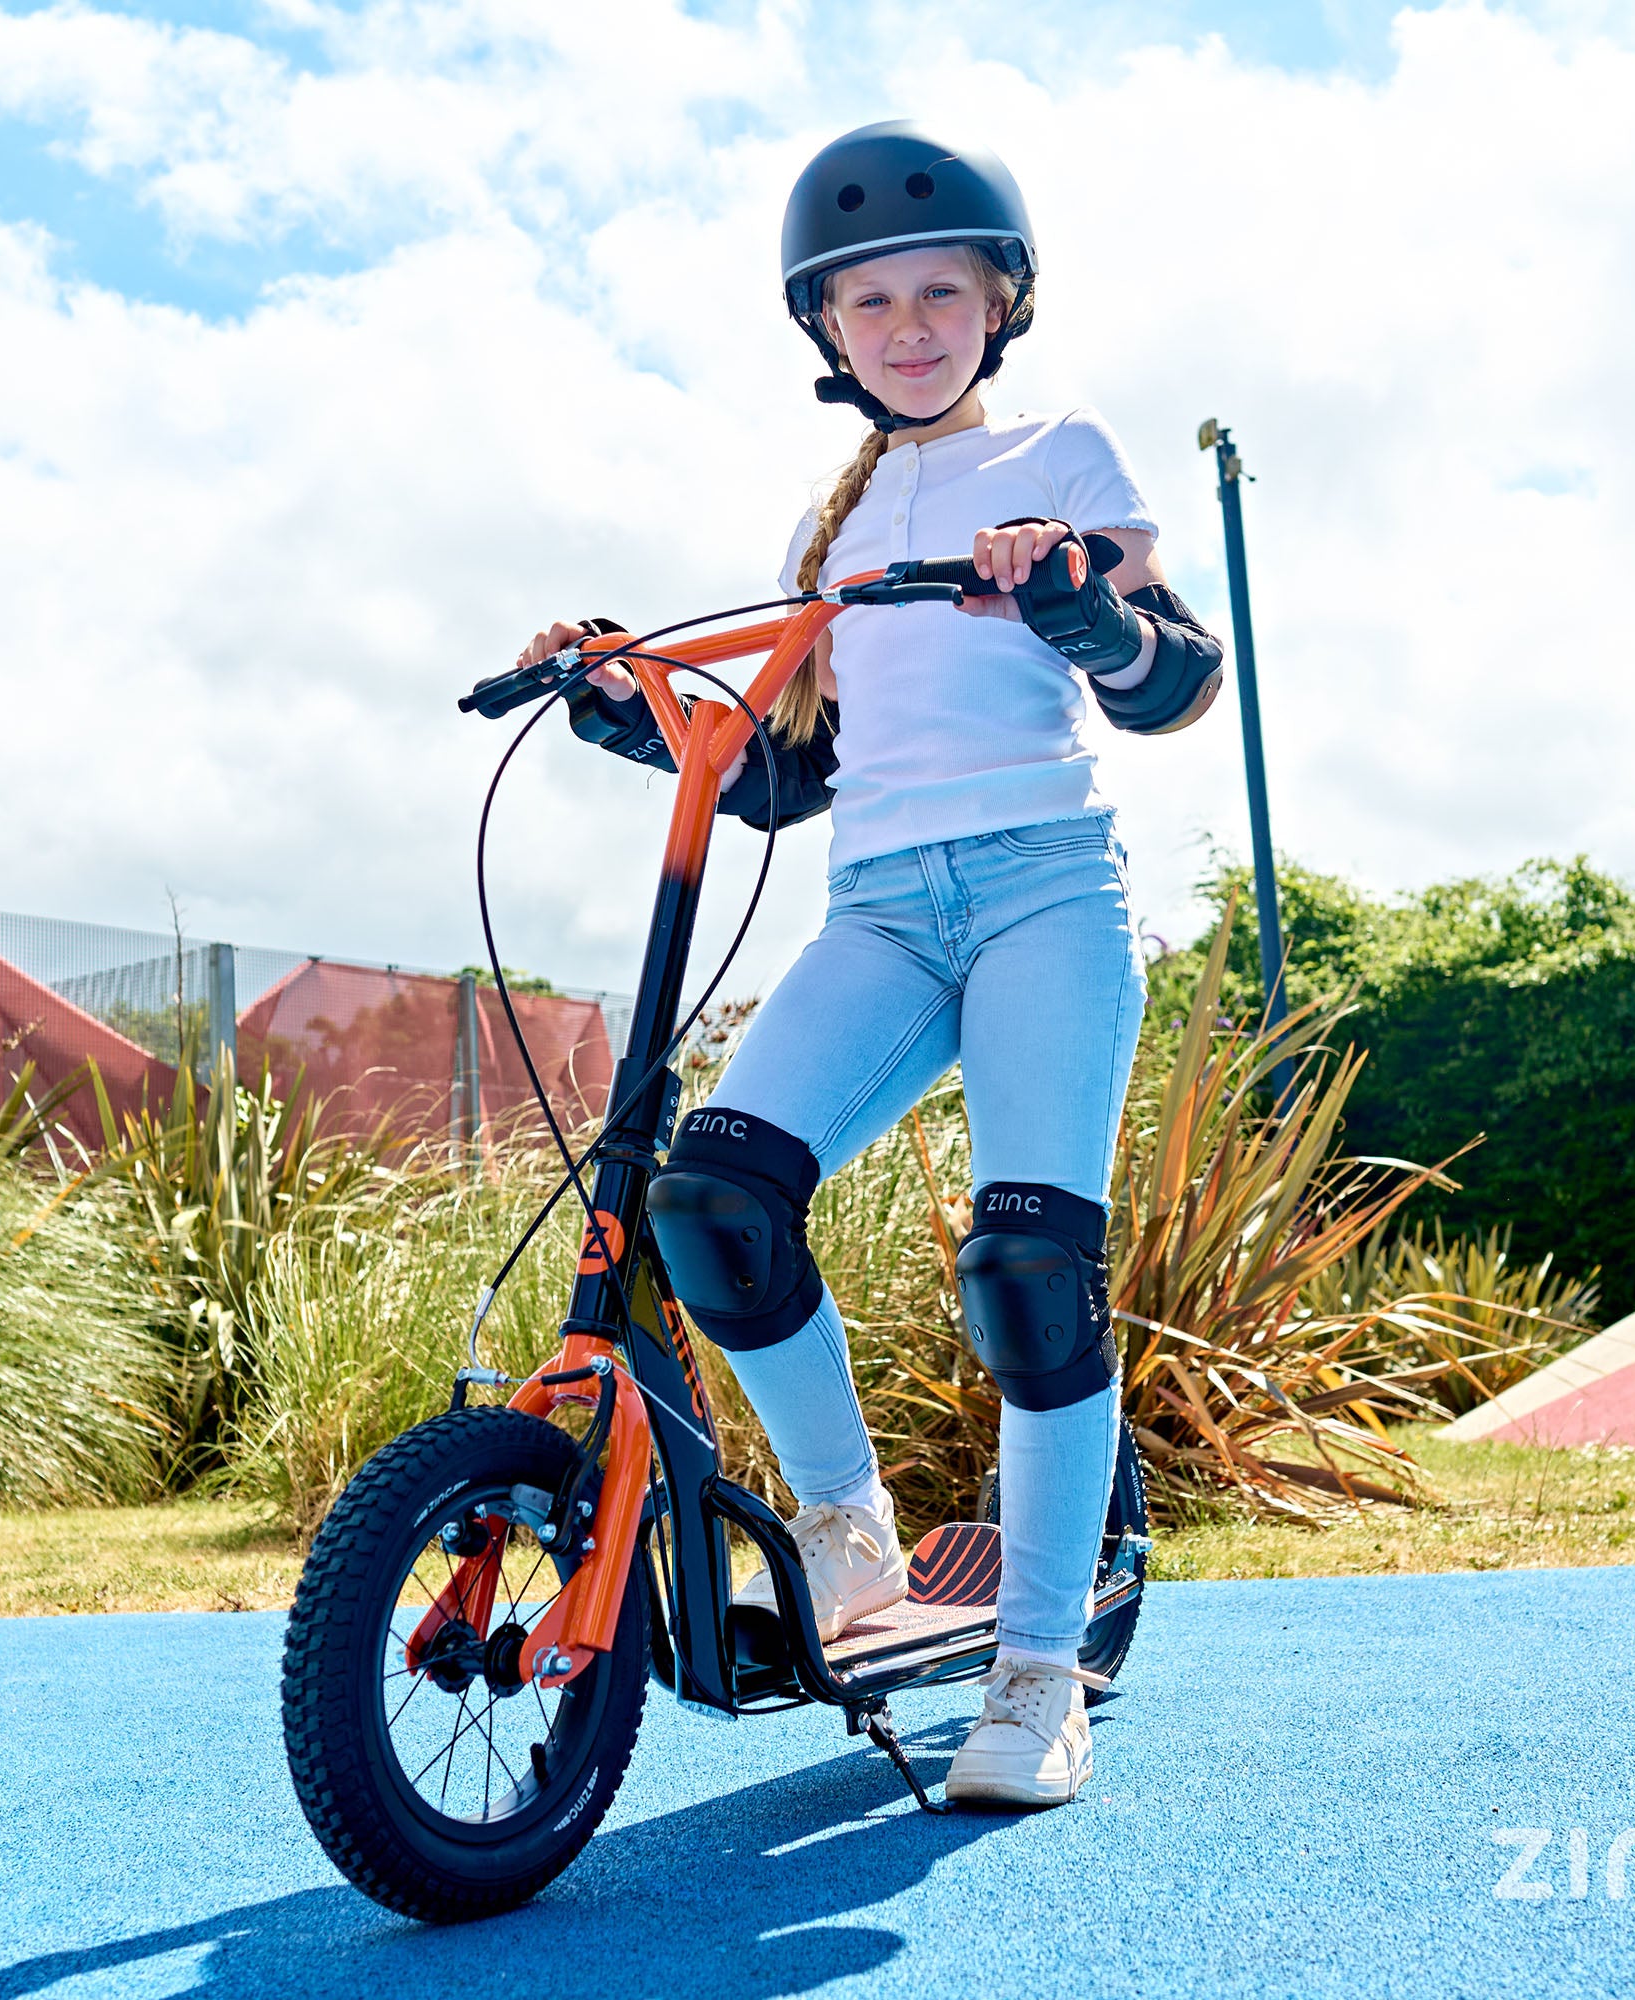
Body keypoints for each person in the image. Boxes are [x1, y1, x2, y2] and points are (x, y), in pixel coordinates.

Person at [514, 121, 1223, 1807]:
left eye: (938, 294)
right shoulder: (828, 535)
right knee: (714, 1205)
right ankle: (846, 1533)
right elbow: (782, 775)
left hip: (1047, 889)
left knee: (1031, 1275)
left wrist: (1070, 603)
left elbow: (1172, 680)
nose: (908, 326)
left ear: (1000, 304)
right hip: (883, 912)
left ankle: (1037, 1674)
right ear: (827, 333)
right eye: (871, 304)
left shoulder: (1064, 452)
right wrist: (626, 708)